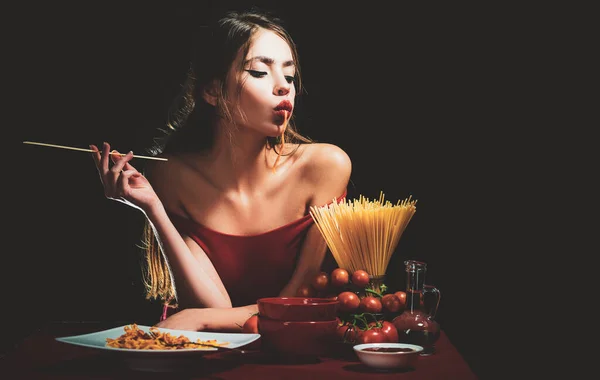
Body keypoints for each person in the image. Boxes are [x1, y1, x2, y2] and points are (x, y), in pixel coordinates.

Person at [89, 8, 351, 332]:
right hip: (200, 355)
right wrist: (152, 208)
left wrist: (200, 319)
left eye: (290, 75)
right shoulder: (171, 177)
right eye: (259, 72)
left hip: (289, 349)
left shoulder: (325, 167)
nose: (283, 87)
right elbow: (213, 308)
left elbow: (294, 303)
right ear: (212, 91)